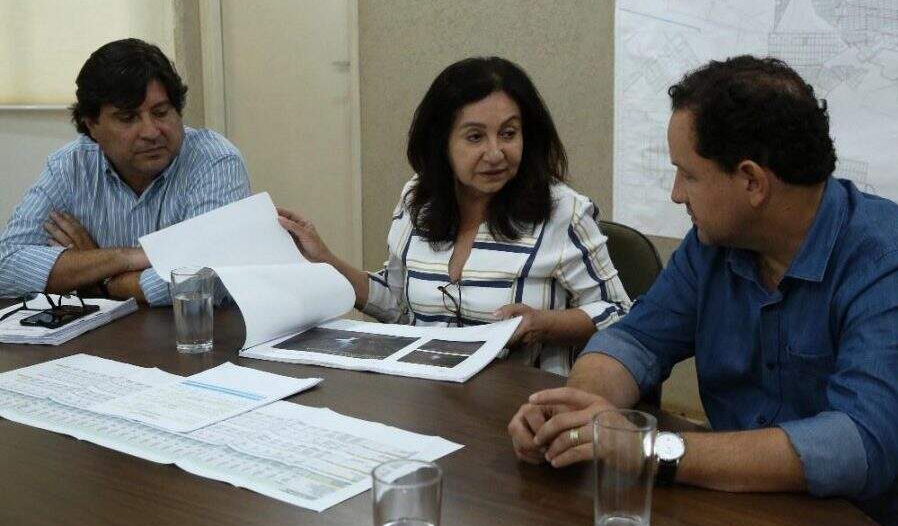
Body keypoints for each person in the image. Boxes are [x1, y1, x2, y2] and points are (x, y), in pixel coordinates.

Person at [507, 55, 898, 526]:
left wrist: (649, 449)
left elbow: (858, 447)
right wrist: (576, 415)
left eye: (688, 174)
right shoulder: (712, 248)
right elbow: (634, 342)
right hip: (733, 510)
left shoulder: (889, 261)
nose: (677, 195)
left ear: (751, 182)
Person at [280, 57, 631, 374]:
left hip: (522, 408)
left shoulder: (562, 210)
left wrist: (545, 324)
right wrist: (325, 260)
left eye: (508, 134)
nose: (495, 153)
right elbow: (401, 305)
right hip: (428, 397)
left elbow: (621, 313)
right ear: (441, 142)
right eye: (475, 137)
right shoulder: (418, 199)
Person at [0, 38, 250, 305]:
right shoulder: (70, 167)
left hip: (197, 341)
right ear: (92, 125)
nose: (151, 132)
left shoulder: (214, 162)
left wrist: (102, 279)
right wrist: (121, 257)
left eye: (161, 112)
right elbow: (6, 265)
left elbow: (203, 281)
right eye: (128, 118)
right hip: (105, 338)